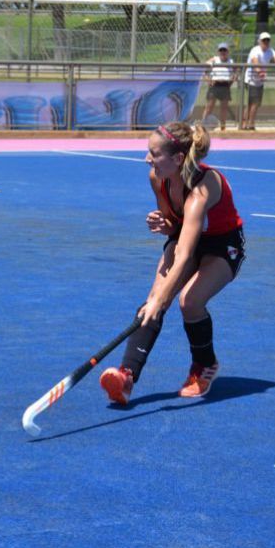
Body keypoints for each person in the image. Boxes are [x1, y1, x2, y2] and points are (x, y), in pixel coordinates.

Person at [99, 122, 245, 404]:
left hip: (223, 245)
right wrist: (163, 223)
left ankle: (205, 366)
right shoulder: (158, 177)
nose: (147, 159)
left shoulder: (204, 188)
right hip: (187, 238)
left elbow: (185, 255)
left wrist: (162, 298)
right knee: (152, 301)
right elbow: (174, 226)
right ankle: (126, 376)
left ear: (178, 159)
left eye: (154, 153)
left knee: (189, 301)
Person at [201, 42, 237, 131]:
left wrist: (231, 81)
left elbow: (236, 72)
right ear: (218, 52)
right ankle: (203, 127)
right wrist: (208, 79)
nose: (223, 52)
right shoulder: (214, 59)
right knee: (209, 106)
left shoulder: (231, 61)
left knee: (224, 108)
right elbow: (204, 68)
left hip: (225, 85)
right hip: (215, 85)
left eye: (224, 50)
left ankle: (223, 128)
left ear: (228, 51)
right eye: (221, 50)